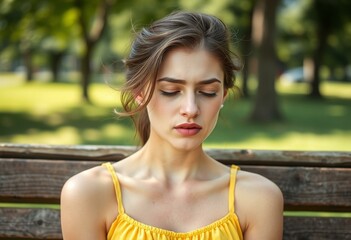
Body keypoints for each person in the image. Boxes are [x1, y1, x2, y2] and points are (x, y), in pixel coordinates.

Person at [61, 11, 284, 240]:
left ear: (223, 96)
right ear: (139, 93)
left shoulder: (256, 198)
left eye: (208, 92)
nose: (191, 109)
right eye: (170, 91)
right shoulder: (90, 193)